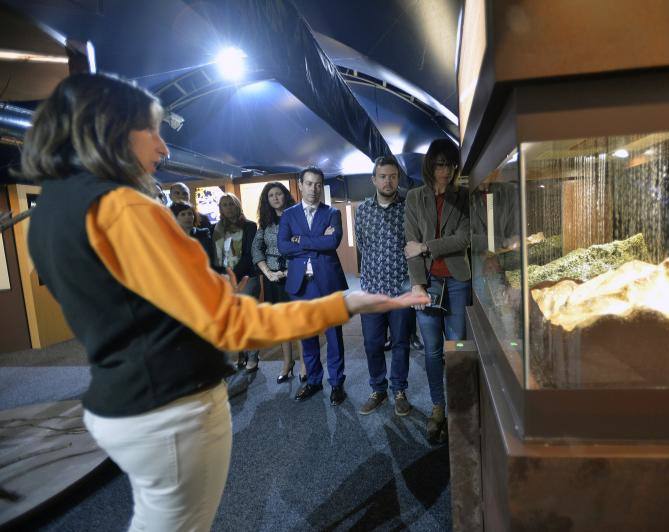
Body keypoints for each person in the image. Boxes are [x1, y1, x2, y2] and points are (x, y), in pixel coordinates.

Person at [21, 73, 425, 532]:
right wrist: (345, 304)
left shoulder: (51, 211)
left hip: (120, 403)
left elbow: (112, 302)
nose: (164, 148)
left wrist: (192, 290)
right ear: (110, 129)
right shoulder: (127, 210)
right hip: (170, 410)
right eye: (151, 131)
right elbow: (232, 326)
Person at [404, 138, 471, 444]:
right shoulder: (415, 197)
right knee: (432, 349)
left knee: (455, 347)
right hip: (428, 282)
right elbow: (410, 245)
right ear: (431, 164)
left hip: (457, 281)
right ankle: (438, 406)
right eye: (441, 164)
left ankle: (458, 406)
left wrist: (428, 246)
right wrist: (417, 284)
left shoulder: (463, 196)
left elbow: (464, 238)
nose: (446, 171)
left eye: (451, 164)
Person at [278, 167, 349, 406]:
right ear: (300, 185)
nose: (313, 189)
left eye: (318, 184)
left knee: (334, 337)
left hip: (327, 282)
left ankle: (337, 384)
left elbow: (333, 241)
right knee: (307, 336)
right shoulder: (288, 214)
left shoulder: (331, 213)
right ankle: (314, 381)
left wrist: (300, 240)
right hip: (301, 284)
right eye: (309, 184)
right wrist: (317, 242)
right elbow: (283, 246)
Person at [355, 155, 414, 416]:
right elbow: (362, 246)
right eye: (382, 176)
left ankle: (399, 390)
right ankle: (377, 388)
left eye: (392, 176)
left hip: (401, 290)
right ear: (373, 180)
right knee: (371, 343)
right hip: (372, 291)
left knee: (401, 343)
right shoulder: (363, 210)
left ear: (398, 178)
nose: (388, 181)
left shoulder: (408, 207)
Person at [252, 182, 307, 383]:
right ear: (267, 200)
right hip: (273, 278)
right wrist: (267, 273)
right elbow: (256, 249)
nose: (275, 198)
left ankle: (303, 363)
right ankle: (287, 362)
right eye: (271, 195)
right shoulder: (265, 223)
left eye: (279, 194)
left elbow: (304, 246)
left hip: (295, 273)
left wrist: (289, 270)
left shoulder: (297, 218)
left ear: (286, 196)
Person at [213, 192, 260, 372]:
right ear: (220, 209)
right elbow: (216, 256)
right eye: (224, 204)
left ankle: (253, 356)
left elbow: (249, 255)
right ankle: (241, 354)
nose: (228, 207)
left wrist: (233, 275)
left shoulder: (249, 226)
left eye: (231, 204)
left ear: (237, 206)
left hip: (246, 277)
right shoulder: (216, 228)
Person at [170, 200, 215, 265]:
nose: (187, 217)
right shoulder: (170, 236)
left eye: (190, 214)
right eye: (183, 214)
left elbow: (210, 258)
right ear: (175, 218)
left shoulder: (203, 233)